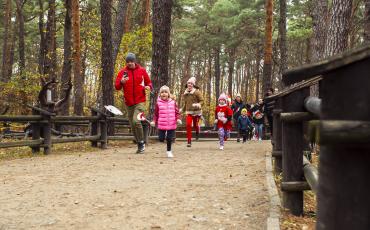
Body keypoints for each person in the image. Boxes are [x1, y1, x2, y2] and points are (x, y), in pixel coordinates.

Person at [115, 52, 152, 153]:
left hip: (141, 101)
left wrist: (149, 86)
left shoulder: (142, 71)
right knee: (132, 124)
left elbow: (149, 82)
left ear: (134, 61)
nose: (129, 63)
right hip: (129, 103)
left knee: (136, 121)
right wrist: (121, 82)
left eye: (131, 61)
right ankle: (139, 143)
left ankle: (141, 143)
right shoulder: (122, 72)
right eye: (128, 61)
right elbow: (117, 87)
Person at [150, 85, 181, 158]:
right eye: (162, 92)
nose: (164, 93)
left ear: (168, 94)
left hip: (171, 124)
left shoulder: (173, 102)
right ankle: (165, 135)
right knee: (161, 139)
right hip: (162, 124)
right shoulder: (158, 103)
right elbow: (156, 114)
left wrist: (178, 119)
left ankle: (169, 151)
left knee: (169, 139)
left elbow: (177, 112)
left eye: (166, 92)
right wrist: (154, 121)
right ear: (160, 94)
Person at [182, 77, 204, 147]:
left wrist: (198, 104)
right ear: (187, 84)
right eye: (188, 83)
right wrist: (182, 110)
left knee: (195, 125)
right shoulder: (185, 93)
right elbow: (186, 103)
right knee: (188, 125)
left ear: (193, 85)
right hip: (189, 112)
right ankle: (189, 141)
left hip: (197, 112)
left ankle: (197, 132)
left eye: (191, 83)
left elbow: (202, 101)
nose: (189, 85)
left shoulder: (197, 92)